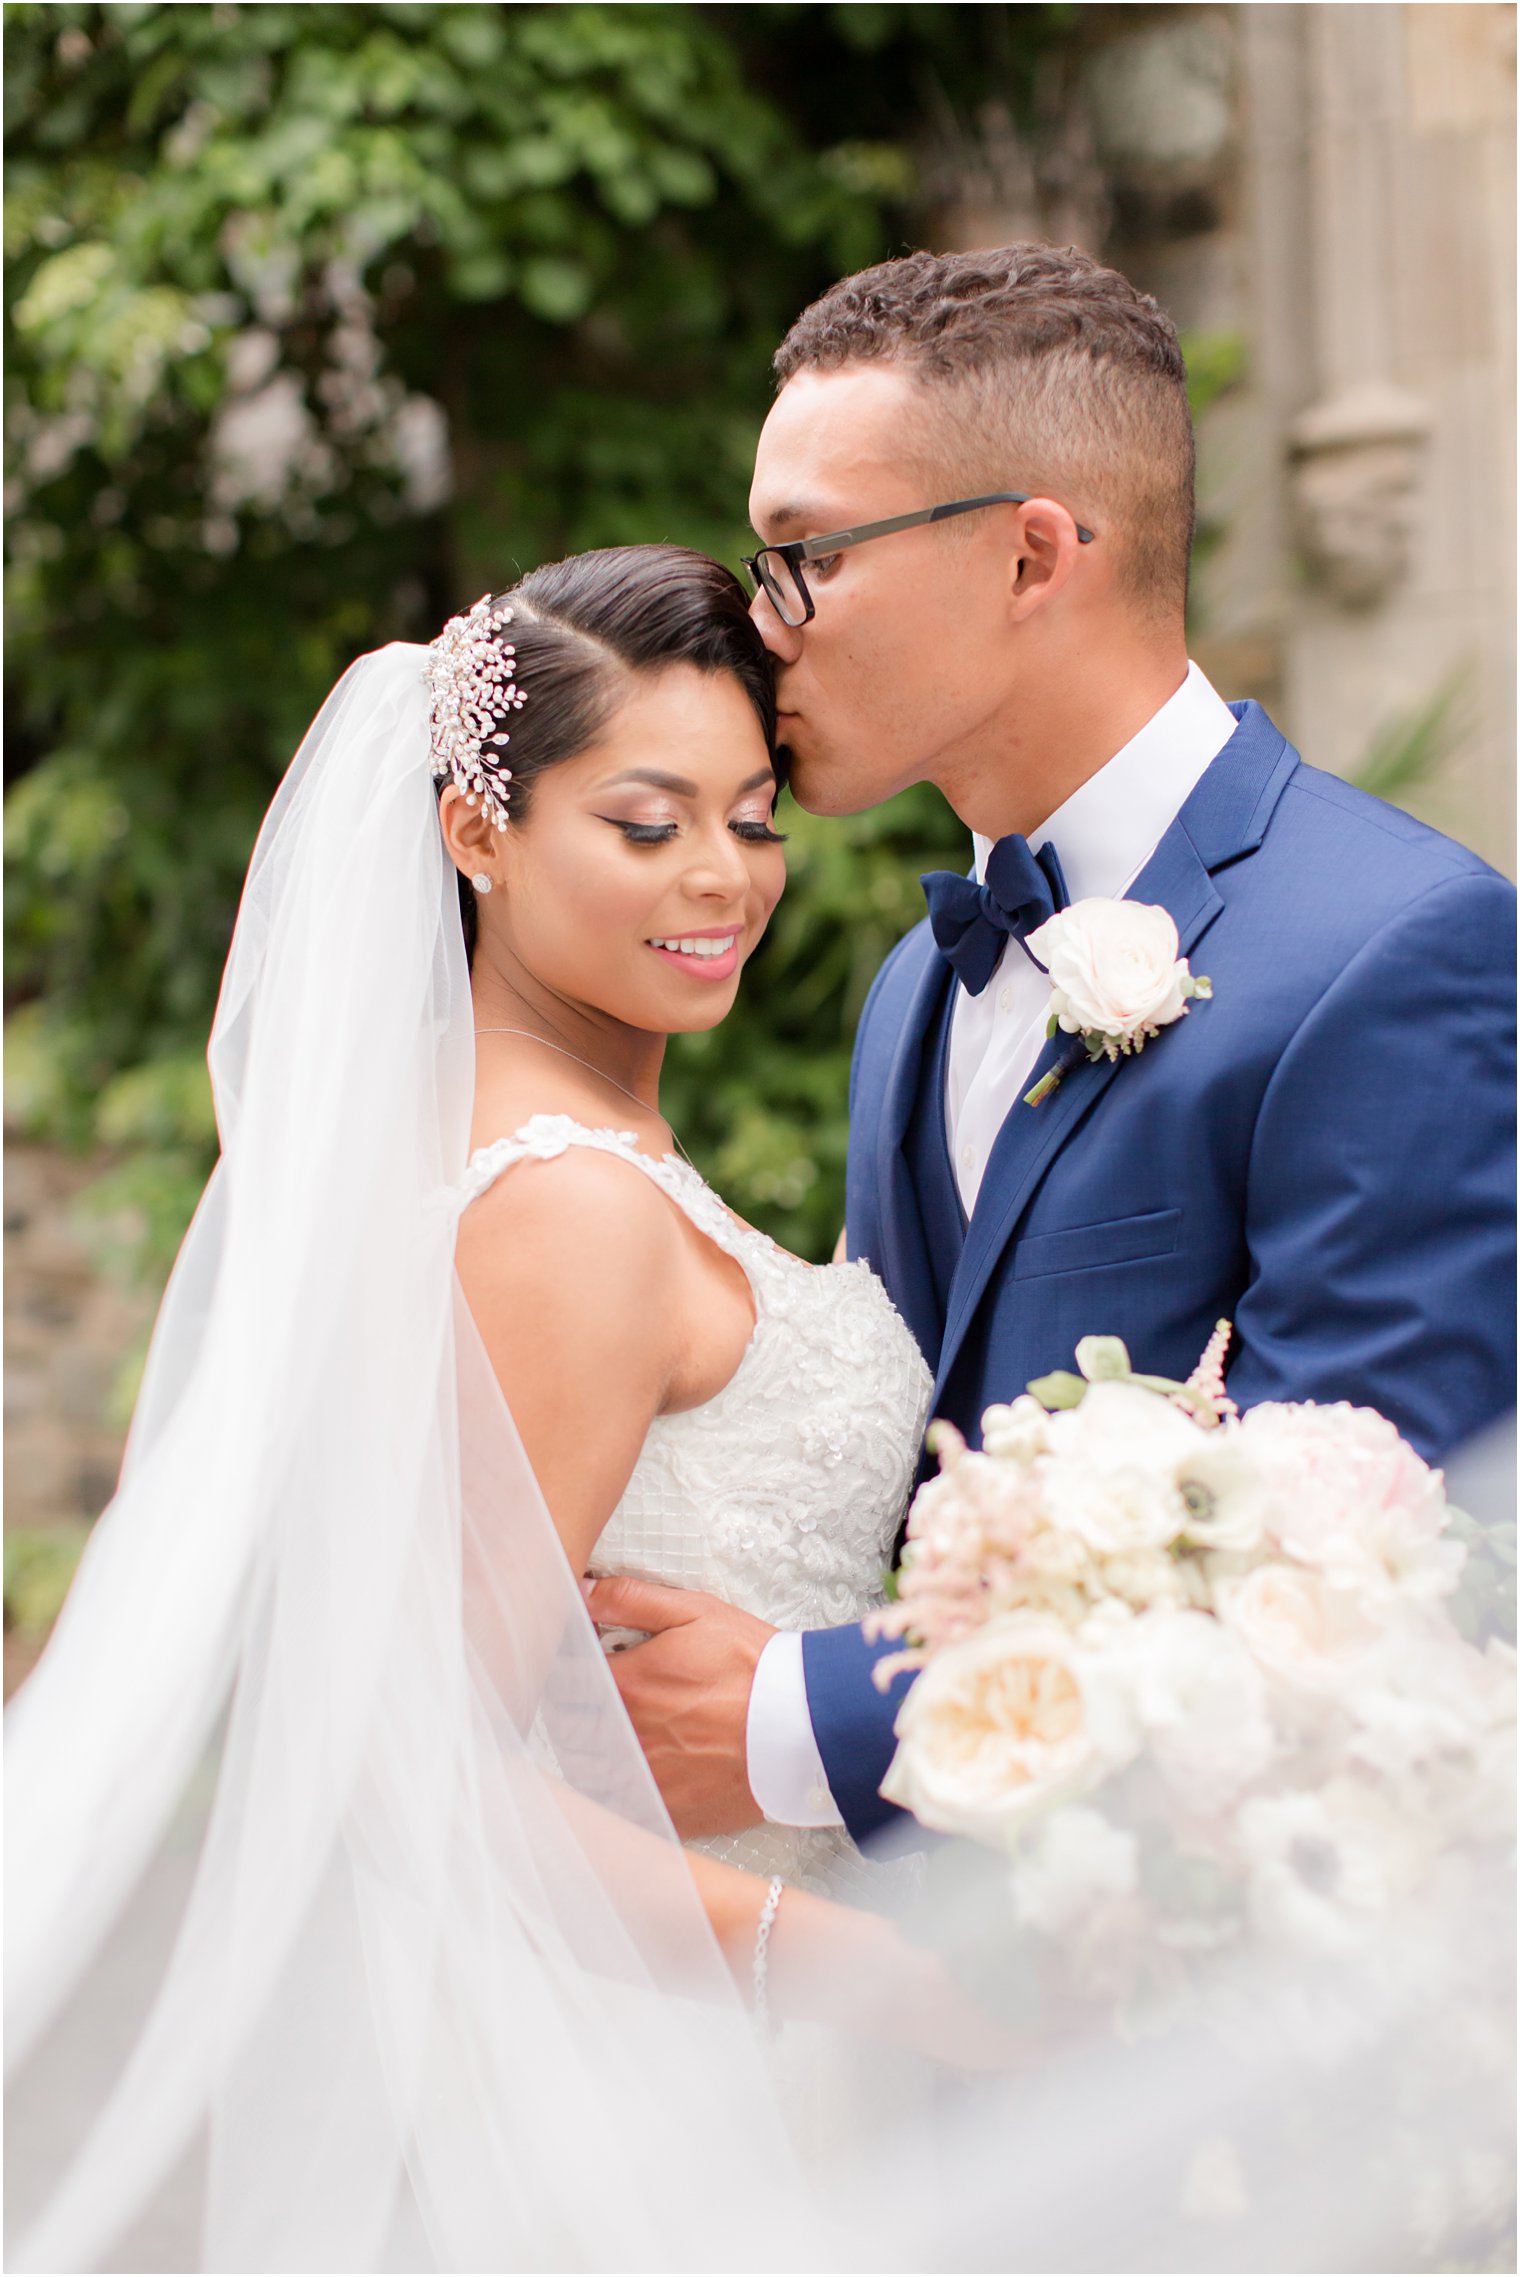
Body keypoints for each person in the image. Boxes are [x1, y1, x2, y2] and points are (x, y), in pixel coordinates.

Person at [4, 546, 987, 2276]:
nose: (721, 877)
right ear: (476, 832)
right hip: (694, 2063)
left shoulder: (581, 1162)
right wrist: (868, 1969)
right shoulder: (569, 1211)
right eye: (644, 820)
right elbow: (424, 1773)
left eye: (753, 817)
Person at [586, 241, 1518, 1852]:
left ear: (1031, 557)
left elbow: (1368, 1575)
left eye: (807, 554)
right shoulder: (913, 989)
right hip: (917, 2005)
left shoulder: (1401, 949)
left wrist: (793, 1721)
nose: (763, 626)